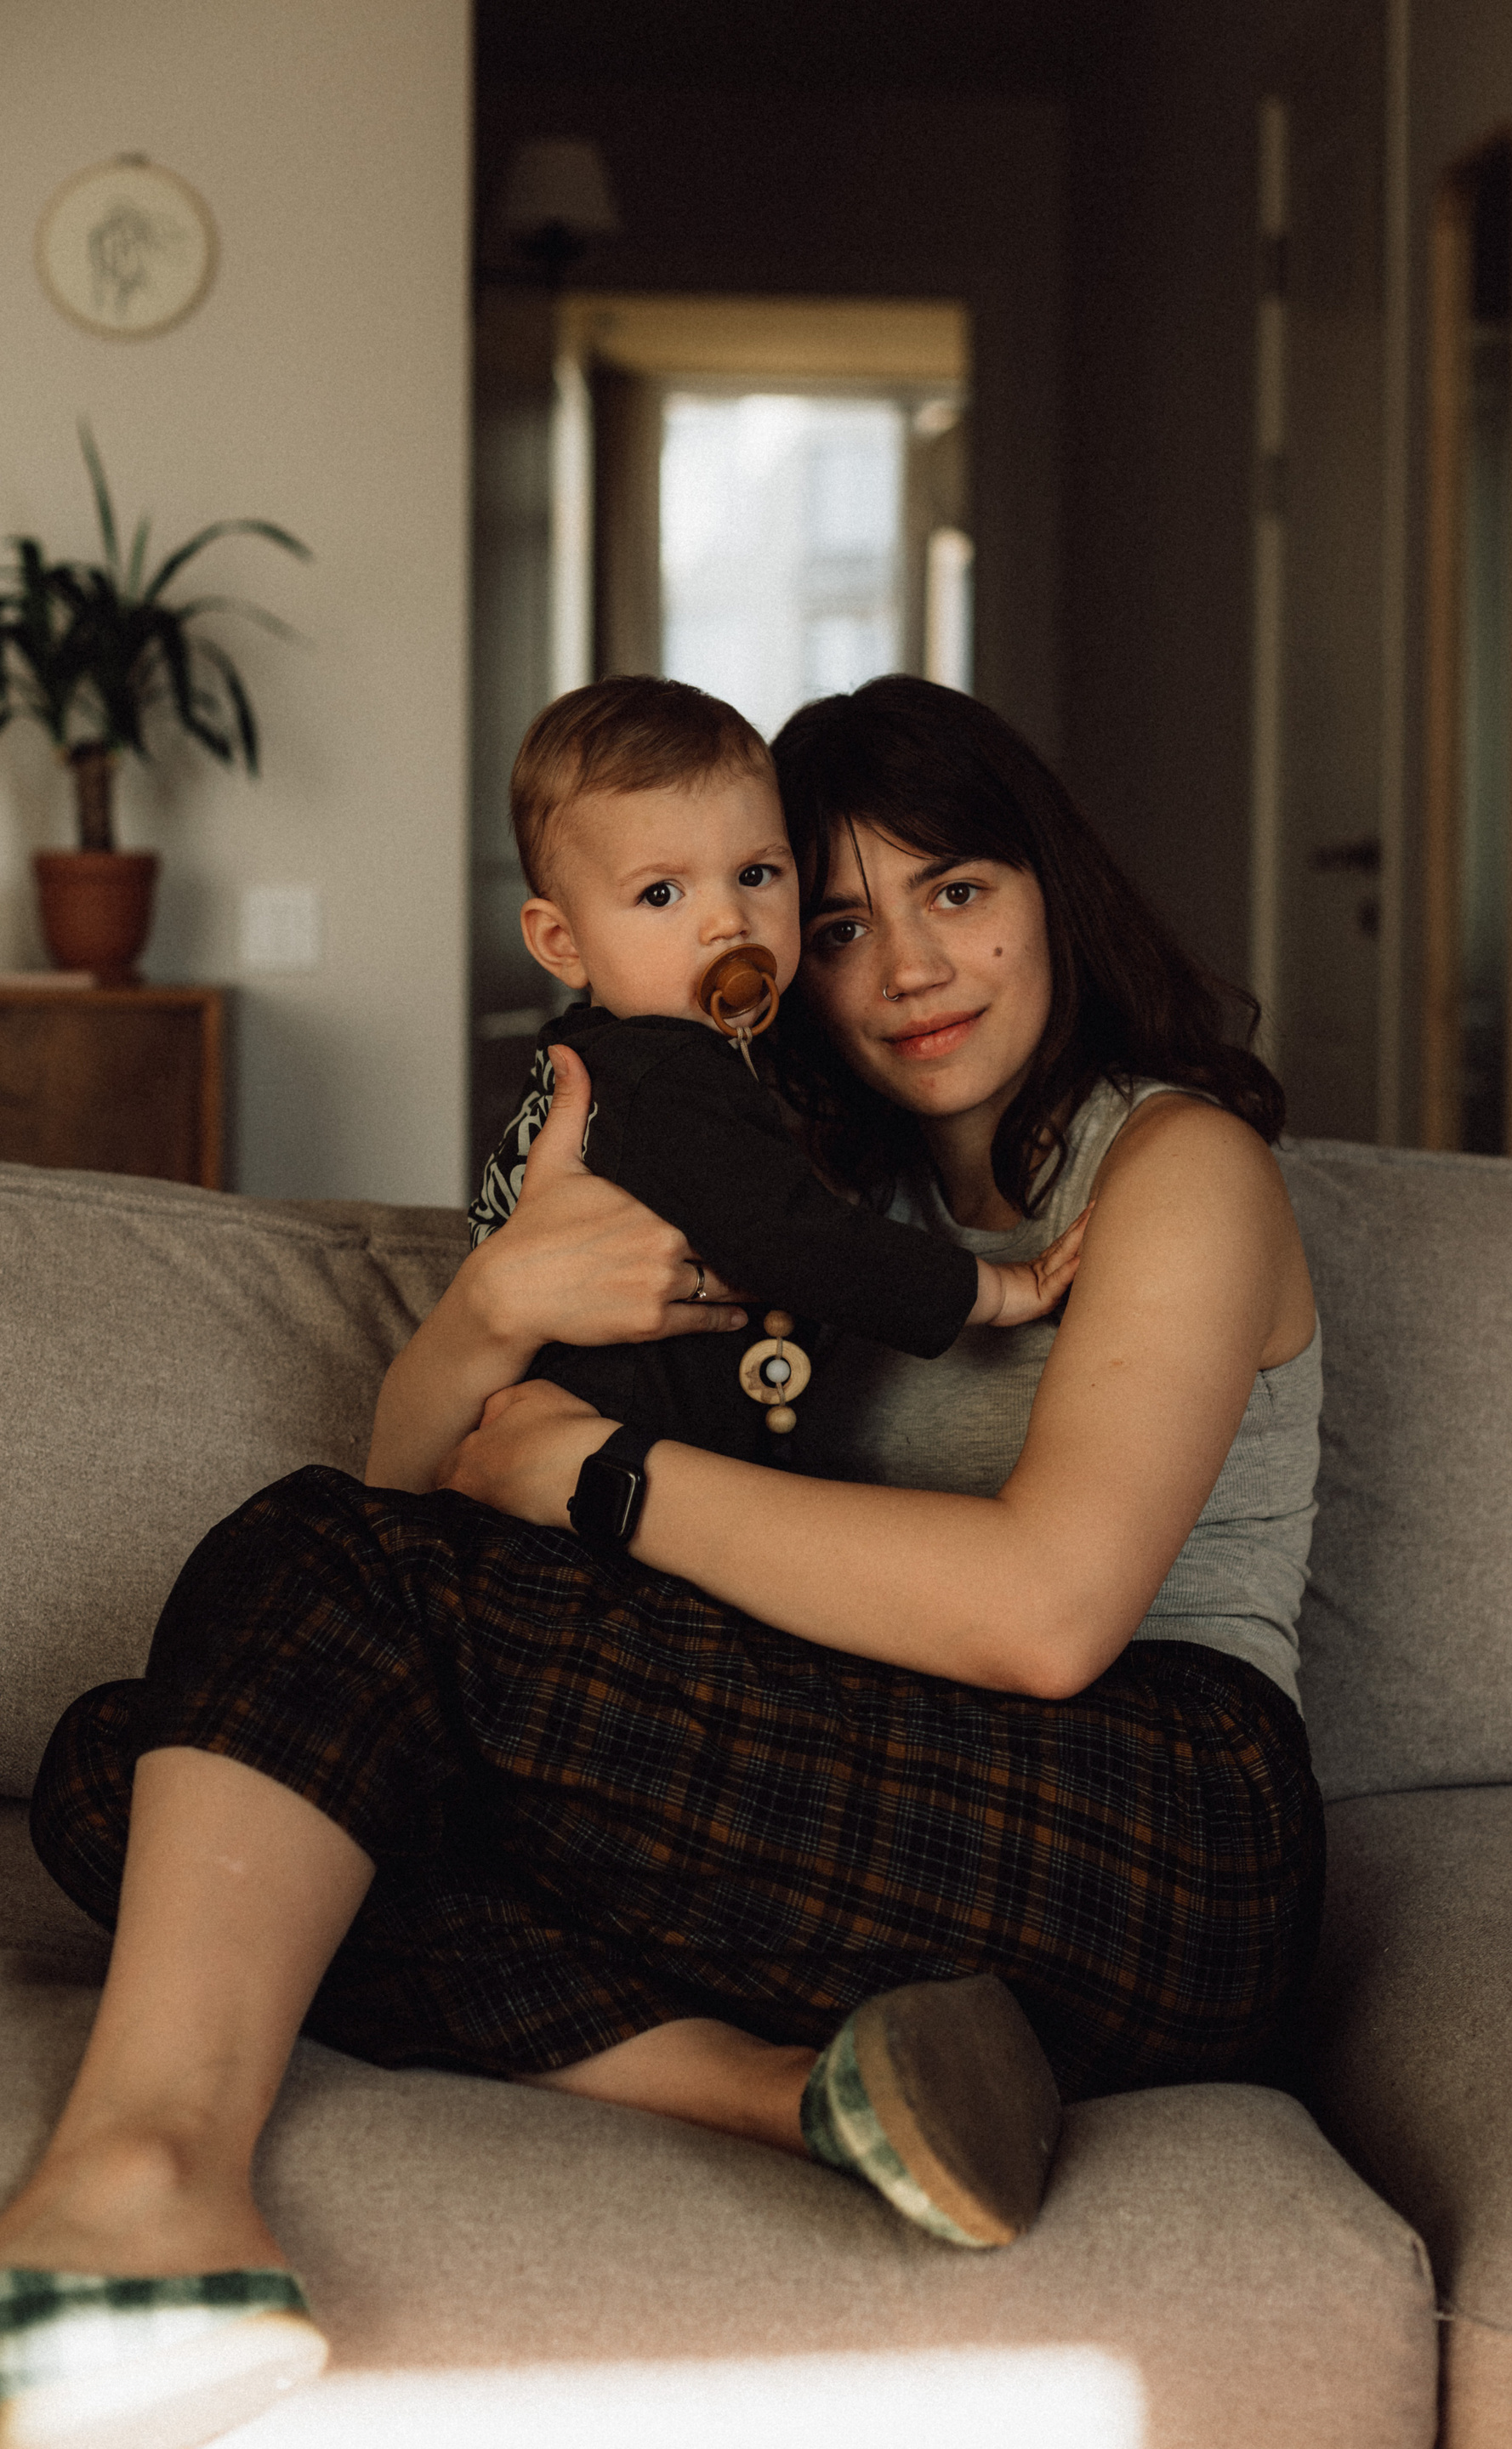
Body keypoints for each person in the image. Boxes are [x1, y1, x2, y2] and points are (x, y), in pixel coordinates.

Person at [0, 675, 1323, 2449]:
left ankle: (141, 2193)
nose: (908, 967)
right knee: (136, 1767)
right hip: (867, 1791)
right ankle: (795, 2092)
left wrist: (597, 1475)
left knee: (288, 1642)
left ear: (1050, 890)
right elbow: (394, 1519)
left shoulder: (1177, 1164)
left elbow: (1047, 1618)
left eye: (957, 891)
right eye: (836, 922)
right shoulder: (785, 1187)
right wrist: (494, 1307)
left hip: (1166, 1826)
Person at [469, 675, 1089, 1461]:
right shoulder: (660, 1078)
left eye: (756, 875)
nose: (728, 920)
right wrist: (996, 1288)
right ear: (562, 943)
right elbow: (793, 1236)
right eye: (660, 894)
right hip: (602, 1471)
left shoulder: (604, 1056)